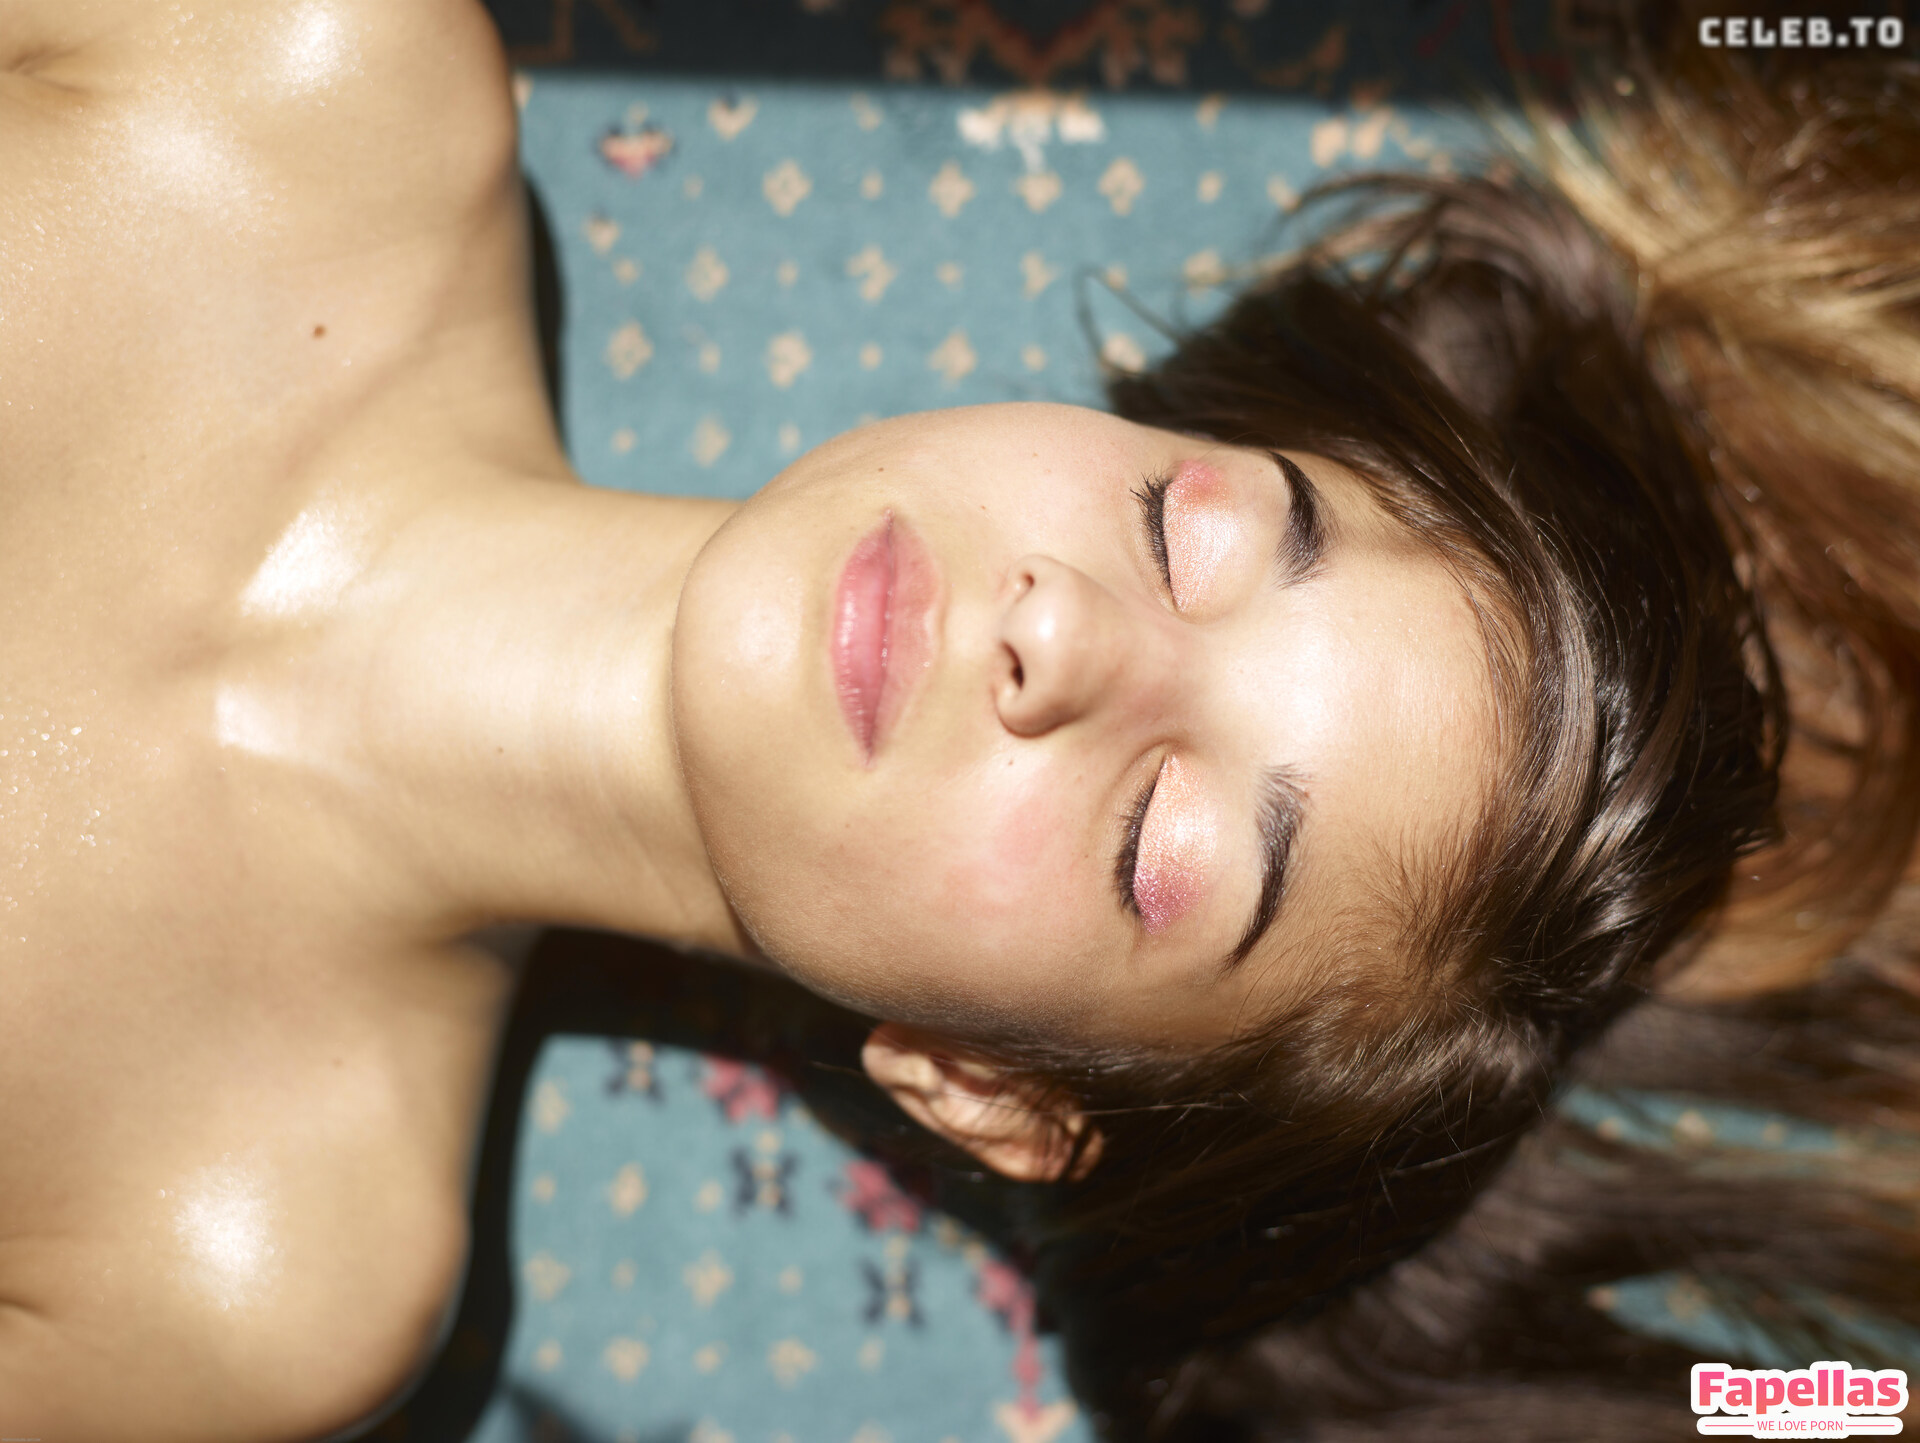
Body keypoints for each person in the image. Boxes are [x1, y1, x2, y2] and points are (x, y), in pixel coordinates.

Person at [0, 1, 1914, 1439]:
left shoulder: (242, 1278)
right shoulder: (293, 76)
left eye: (1159, 846)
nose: (1063, 632)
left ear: (983, 1089)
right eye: (1188, 531)